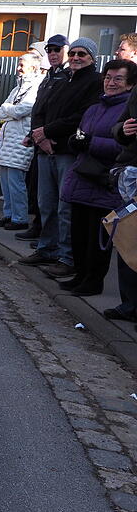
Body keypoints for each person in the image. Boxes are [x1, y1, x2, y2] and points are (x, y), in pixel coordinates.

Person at [20, 38, 102, 277]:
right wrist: (39, 136)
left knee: (65, 208)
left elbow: (82, 116)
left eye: (82, 54)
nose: (76, 58)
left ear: (92, 58)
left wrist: (48, 132)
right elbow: (40, 109)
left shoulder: (94, 82)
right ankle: (47, 248)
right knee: (46, 204)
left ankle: (67, 257)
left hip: (68, 151)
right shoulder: (62, 78)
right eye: (74, 53)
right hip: (46, 149)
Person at [57, 60, 134, 296]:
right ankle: (80, 275)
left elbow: (124, 146)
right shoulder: (94, 107)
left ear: (130, 85)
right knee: (79, 234)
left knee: (97, 237)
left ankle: (93, 281)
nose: (110, 83)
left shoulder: (127, 110)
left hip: (105, 181)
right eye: (108, 77)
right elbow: (81, 133)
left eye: (117, 79)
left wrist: (91, 143)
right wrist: (75, 141)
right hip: (83, 176)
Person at [17, 35, 71, 241]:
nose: (53, 53)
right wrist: (35, 135)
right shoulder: (50, 76)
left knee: (56, 198)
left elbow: (61, 113)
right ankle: (40, 230)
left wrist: (46, 134)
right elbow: (39, 109)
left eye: (57, 49)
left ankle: (49, 239)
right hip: (41, 141)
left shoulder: (67, 76)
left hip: (56, 143)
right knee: (42, 194)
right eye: (49, 50)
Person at [0, 53, 43, 230]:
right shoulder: (18, 86)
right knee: (5, 180)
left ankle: (20, 217)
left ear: (33, 66)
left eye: (22, 64)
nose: (19, 67)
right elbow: (3, 108)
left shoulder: (36, 85)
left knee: (16, 181)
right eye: (18, 64)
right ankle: (9, 214)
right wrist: (9, 111)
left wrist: (8, 111)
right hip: (8, 139)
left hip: (20, 138)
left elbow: (24, 109)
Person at [109, 62, 137, 320]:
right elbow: (117, 128)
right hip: (133, 172)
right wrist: (124, 131)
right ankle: (129, 305)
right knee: (129, 238)